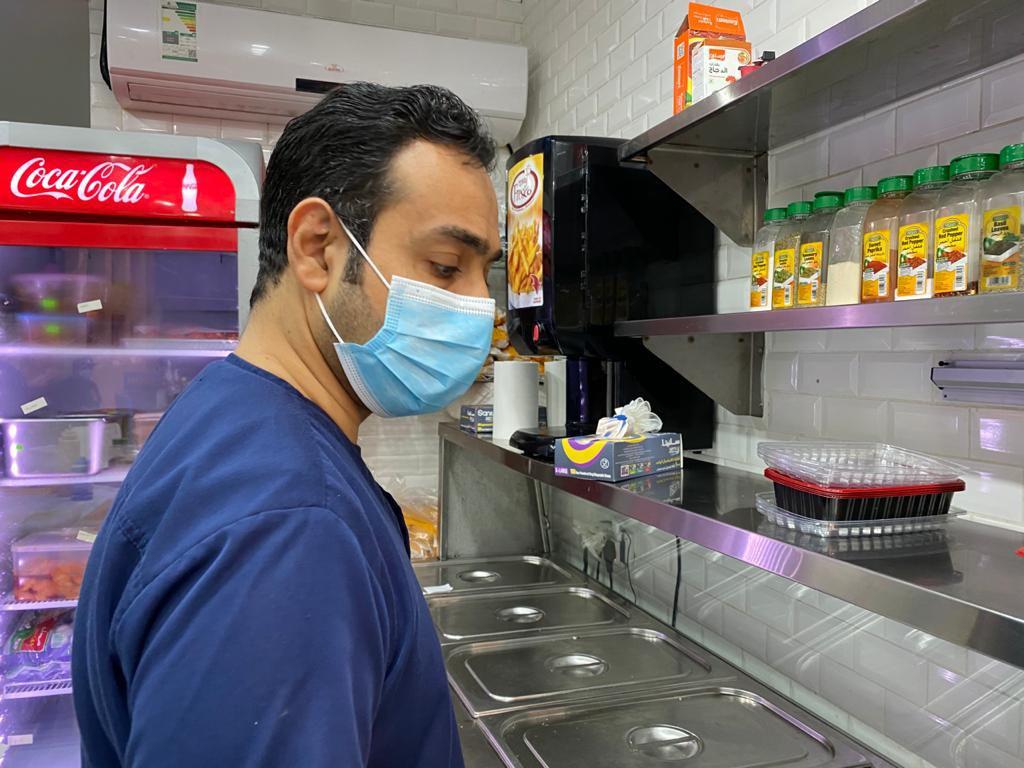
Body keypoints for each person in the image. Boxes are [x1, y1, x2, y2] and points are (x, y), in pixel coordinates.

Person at [73, 82, 500, 767]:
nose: (482, 308)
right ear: (317, 248)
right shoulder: (291, 527)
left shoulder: (231, 408)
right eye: (447, 267)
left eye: (485, 274)